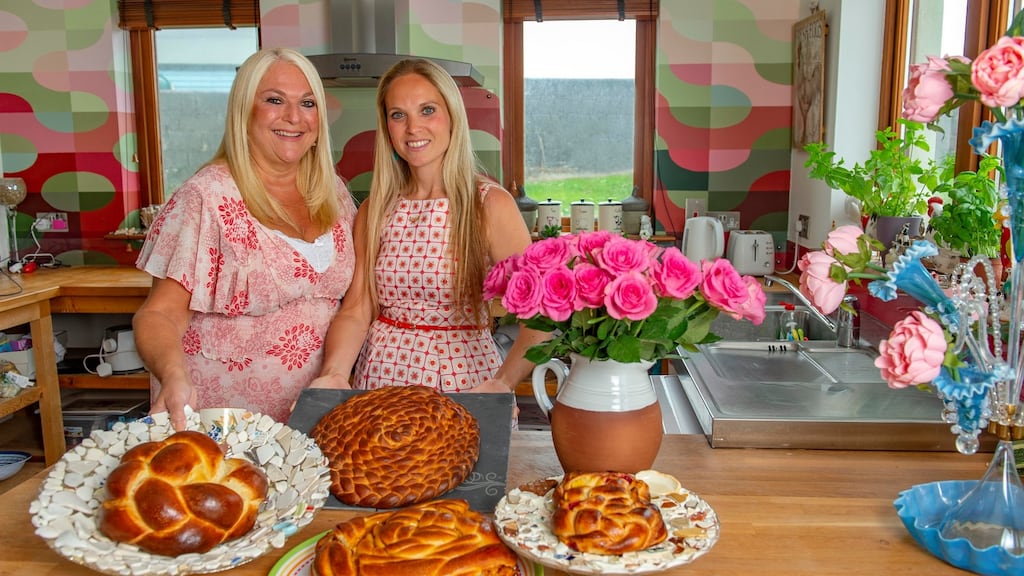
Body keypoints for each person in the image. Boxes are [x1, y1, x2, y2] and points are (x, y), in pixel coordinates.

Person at [133, 47, 357, 430]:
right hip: (226, 420)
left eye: (307, 103)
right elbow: (159, 313)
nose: (293, 117)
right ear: (243, 112)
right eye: (274, 100)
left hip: (316, 416)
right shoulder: (206, 196)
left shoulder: (332, 192)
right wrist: (172, 375)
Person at [311, 58, 546, 398]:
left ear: (452, 116)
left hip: (465, 383)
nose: (412, 128)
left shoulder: (489, 204)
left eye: (427, 110)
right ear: (387, 127)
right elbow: (356, 309)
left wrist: (503, 383)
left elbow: (539, 316)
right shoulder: (374, 210)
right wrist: (335, 373)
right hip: (380, 379)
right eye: (398, 115)